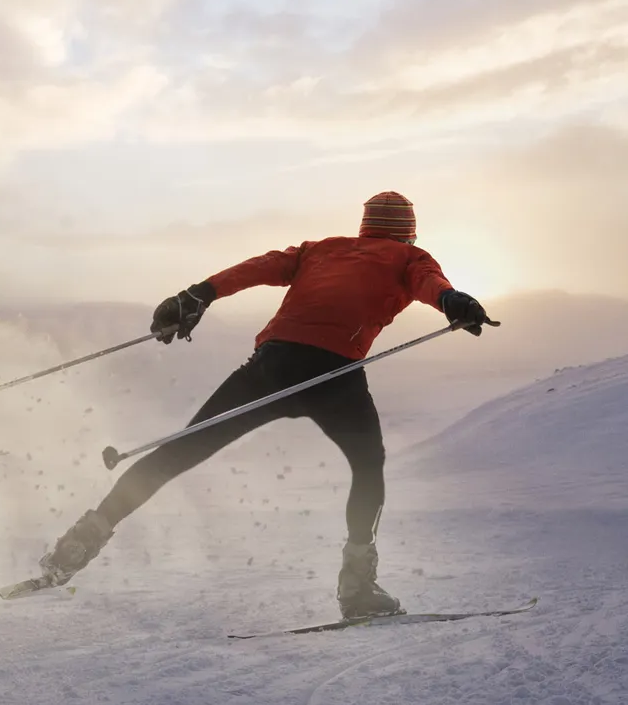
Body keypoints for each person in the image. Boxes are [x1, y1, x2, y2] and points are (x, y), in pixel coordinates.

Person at [40, 192, 492, 618]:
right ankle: (357, 589)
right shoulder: (411, 257)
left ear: (364, 228)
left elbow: (258, 267)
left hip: (271, 366)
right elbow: (431, 285)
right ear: (408, 234)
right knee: (368, 467)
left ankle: (80, 542)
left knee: (179, 453)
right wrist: (454, 302)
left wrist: (197, 294)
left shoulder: (321, 249)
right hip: (334, 378)